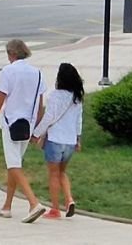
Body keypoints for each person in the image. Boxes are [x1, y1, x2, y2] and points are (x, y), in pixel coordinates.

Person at [0, 38, 47, 223]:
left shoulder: (8, 71)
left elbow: (0, 99)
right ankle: (7, 206)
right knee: (15, 164)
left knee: (13, 165)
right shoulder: (38, 73)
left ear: (12, 53)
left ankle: (33, 203)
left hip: (11, 123)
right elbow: (40, 104)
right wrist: (37, 129)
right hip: (28, 125)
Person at [32, 62, 85, 219]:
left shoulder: (54, 95)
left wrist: (36, 133)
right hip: (70, 141)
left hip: (55, 139)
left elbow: (49, 117)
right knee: (62, 172)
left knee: (53, 174)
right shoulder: (77, 98)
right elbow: (79, 120)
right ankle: (69, 200)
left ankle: (55, 209)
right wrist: (78, 139)